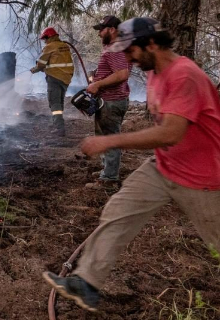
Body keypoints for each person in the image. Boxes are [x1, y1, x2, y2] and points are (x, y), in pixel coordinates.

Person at [43, 18, 220, 312]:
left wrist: (109, 141)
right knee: (118, 211)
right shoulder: (154, 73)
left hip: (203, 177)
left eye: (131, 51)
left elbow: (171, 132)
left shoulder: (184, 75)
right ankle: (86, 282)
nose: (127, 58)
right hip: (164, 166)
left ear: (151, 44)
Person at [86, 15, 132, 186]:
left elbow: (122, 74)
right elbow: (115, 70)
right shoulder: (114, 47)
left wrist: (98, 84)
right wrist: (96, 76)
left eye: (101, 30)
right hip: (107, 100)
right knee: (104, 137)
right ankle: (107, 169)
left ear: (112, 29)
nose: (99, 34)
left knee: (111, 139)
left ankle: (109, 178)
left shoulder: (116, 48)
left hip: (112, 102)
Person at [31, 27, 74, 136]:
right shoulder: (64, 46)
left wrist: (34, 70)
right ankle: (57, 123)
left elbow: (41, 64)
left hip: (54, 78)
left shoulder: (49, 47)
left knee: (54, 103)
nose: (44, 41)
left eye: (45, 38)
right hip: (66, 78)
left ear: (49, 36)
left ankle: (59, 128)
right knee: (59, 102)